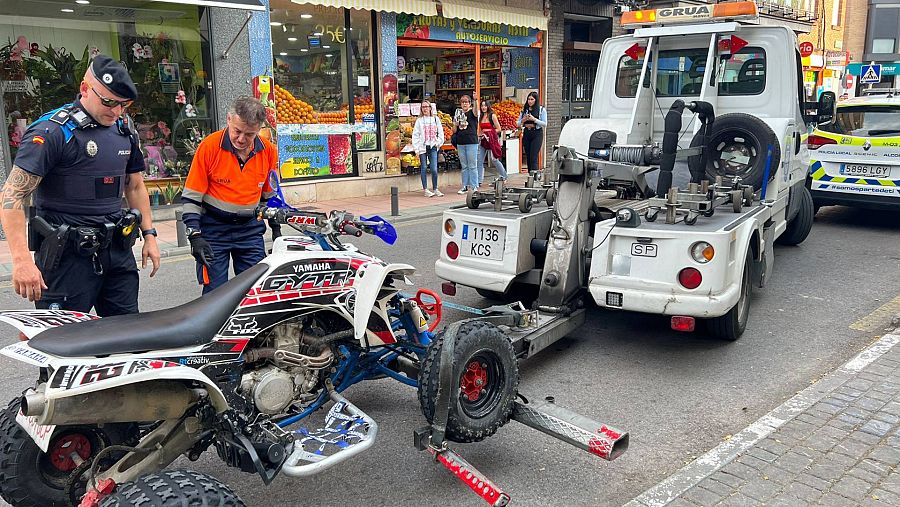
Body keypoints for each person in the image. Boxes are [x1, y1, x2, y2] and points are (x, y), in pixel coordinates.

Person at [0, 55, 160, 315]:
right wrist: (21, 261)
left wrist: (150, 235)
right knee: (63, 341)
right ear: (85, 89)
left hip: (117, 251)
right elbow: (11, 196)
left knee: (125, 337)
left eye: (124, 105)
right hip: (67, 257)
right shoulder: (51, 132)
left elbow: (134, 186)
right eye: (108, 102)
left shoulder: (124, 130)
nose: (117, 111)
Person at [182, 97, 279, 294]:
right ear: (228, 119)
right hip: (214, 231)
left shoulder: (268, 151)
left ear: (259, 129)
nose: (241, 139)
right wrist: (194, 235)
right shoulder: (209, 147)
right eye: (237, 131)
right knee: (215, 295)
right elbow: (192, 197)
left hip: (250, 230)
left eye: (250, 134)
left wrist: (276, 230)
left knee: (254, 292)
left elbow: (270, 197)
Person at [411, 100, 444, 197]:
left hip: (433, 146)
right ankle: (425, 189)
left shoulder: (435, 119)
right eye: (423, 107)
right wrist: (416, 149)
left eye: (426, 107)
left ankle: (435, 188)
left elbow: (440, 133)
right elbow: (415, 135)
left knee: (434, 168)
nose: (425, 109)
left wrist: (438, 143)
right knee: (424, 168)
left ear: (430, 108)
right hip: (422, 147)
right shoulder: (419, 121)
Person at [452, 95, 479, 194]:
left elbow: (476, 112)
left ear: (469, 103)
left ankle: (474, 185)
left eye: (466, 102)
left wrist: (476, 100)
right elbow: (454, 130)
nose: (464, 104)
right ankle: (465, 185)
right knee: (464, 166)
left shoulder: (472, 112)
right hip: (460, 141)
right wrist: (455, 124)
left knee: (472, 165)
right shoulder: (457, 113)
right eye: (463, 102)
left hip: (471, 141)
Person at [477, 99, 507, 184]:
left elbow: (499, 129)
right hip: (483, 140)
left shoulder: (492, 116)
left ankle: (504, 175)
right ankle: (479, 180)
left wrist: (489, 133)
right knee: (479, 160)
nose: (483, 107)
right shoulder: (481, 117)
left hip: (492, 139)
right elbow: (480, 130)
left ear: (488, 106)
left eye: (485, 105)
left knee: (494, 159)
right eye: (482, 106)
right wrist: (479, 136)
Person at [517, 91, 547, 176]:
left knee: (534, 156)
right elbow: (517, 123)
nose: (530, 101)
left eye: (532, 99)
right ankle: (531, 175)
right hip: (527, 133)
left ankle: (535, 176)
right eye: (528, 99)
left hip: (537, 133)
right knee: (528, 156)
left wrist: (534, 119)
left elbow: (545, 123)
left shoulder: (541, 110)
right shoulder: (524, 110)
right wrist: (524, 120)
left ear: (535, 100)